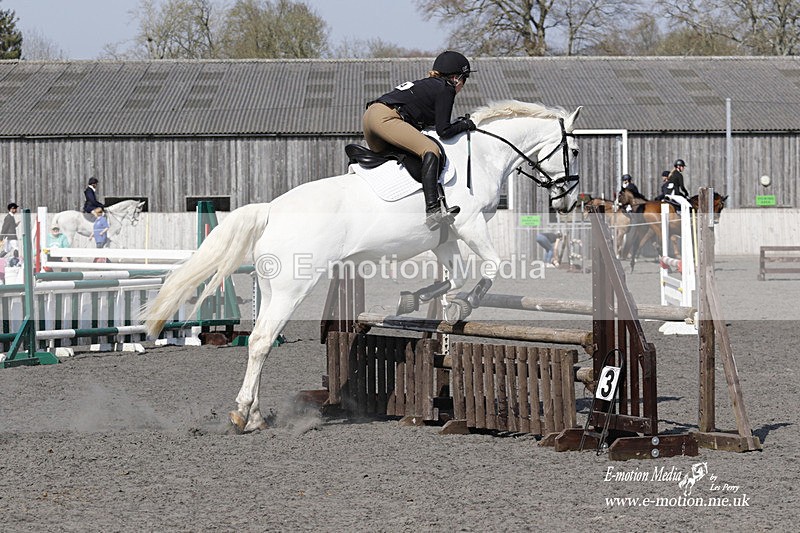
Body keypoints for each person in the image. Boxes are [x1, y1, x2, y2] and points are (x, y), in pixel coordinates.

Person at [363, 50, 476, 231]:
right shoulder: (446, 88)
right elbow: (444, 131)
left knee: (407, 157)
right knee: (431, 150)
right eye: (465, 79)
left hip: (371, 116)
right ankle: (433, 210)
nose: (463, 85)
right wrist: (467, 125)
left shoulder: (429, 85)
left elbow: (432, 126)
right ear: (456, 78)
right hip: (387, 118)